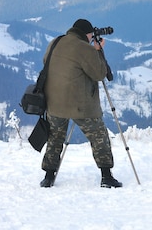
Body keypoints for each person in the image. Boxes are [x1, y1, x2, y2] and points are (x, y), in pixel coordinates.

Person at [39, 18, 122, 188]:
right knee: (99, 136)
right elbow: (99, 73)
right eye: (91, 35)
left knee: (55, 138)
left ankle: (48, 176)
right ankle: (106, 175)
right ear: (87, 34)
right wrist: (97, 51)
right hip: (81, 105)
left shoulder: (55, 42)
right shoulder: (85, 48)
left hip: (54, 102)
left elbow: (46, 63)